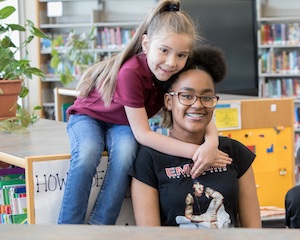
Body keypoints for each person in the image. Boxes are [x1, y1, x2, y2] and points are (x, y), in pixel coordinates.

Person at [58, 0, 231, 225]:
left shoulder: (174, 72)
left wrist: (211, 144)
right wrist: (197, 152)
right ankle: (68, 228)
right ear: (146, 44)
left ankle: (100, 226)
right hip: (89, 117)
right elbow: (144, 134)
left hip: (122, 124)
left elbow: (197, 108)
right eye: (164, 51)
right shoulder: (130, 73)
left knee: (126, 153)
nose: (171, 62)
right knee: (88, 152)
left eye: (181, 55)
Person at [130, 46, 262, 228]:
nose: (197, 104)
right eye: (187, 95)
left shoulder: (235, 152)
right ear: (168, 101)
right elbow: (149, 235)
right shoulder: (149, 160)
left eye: (206, 97)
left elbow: (253, 231)